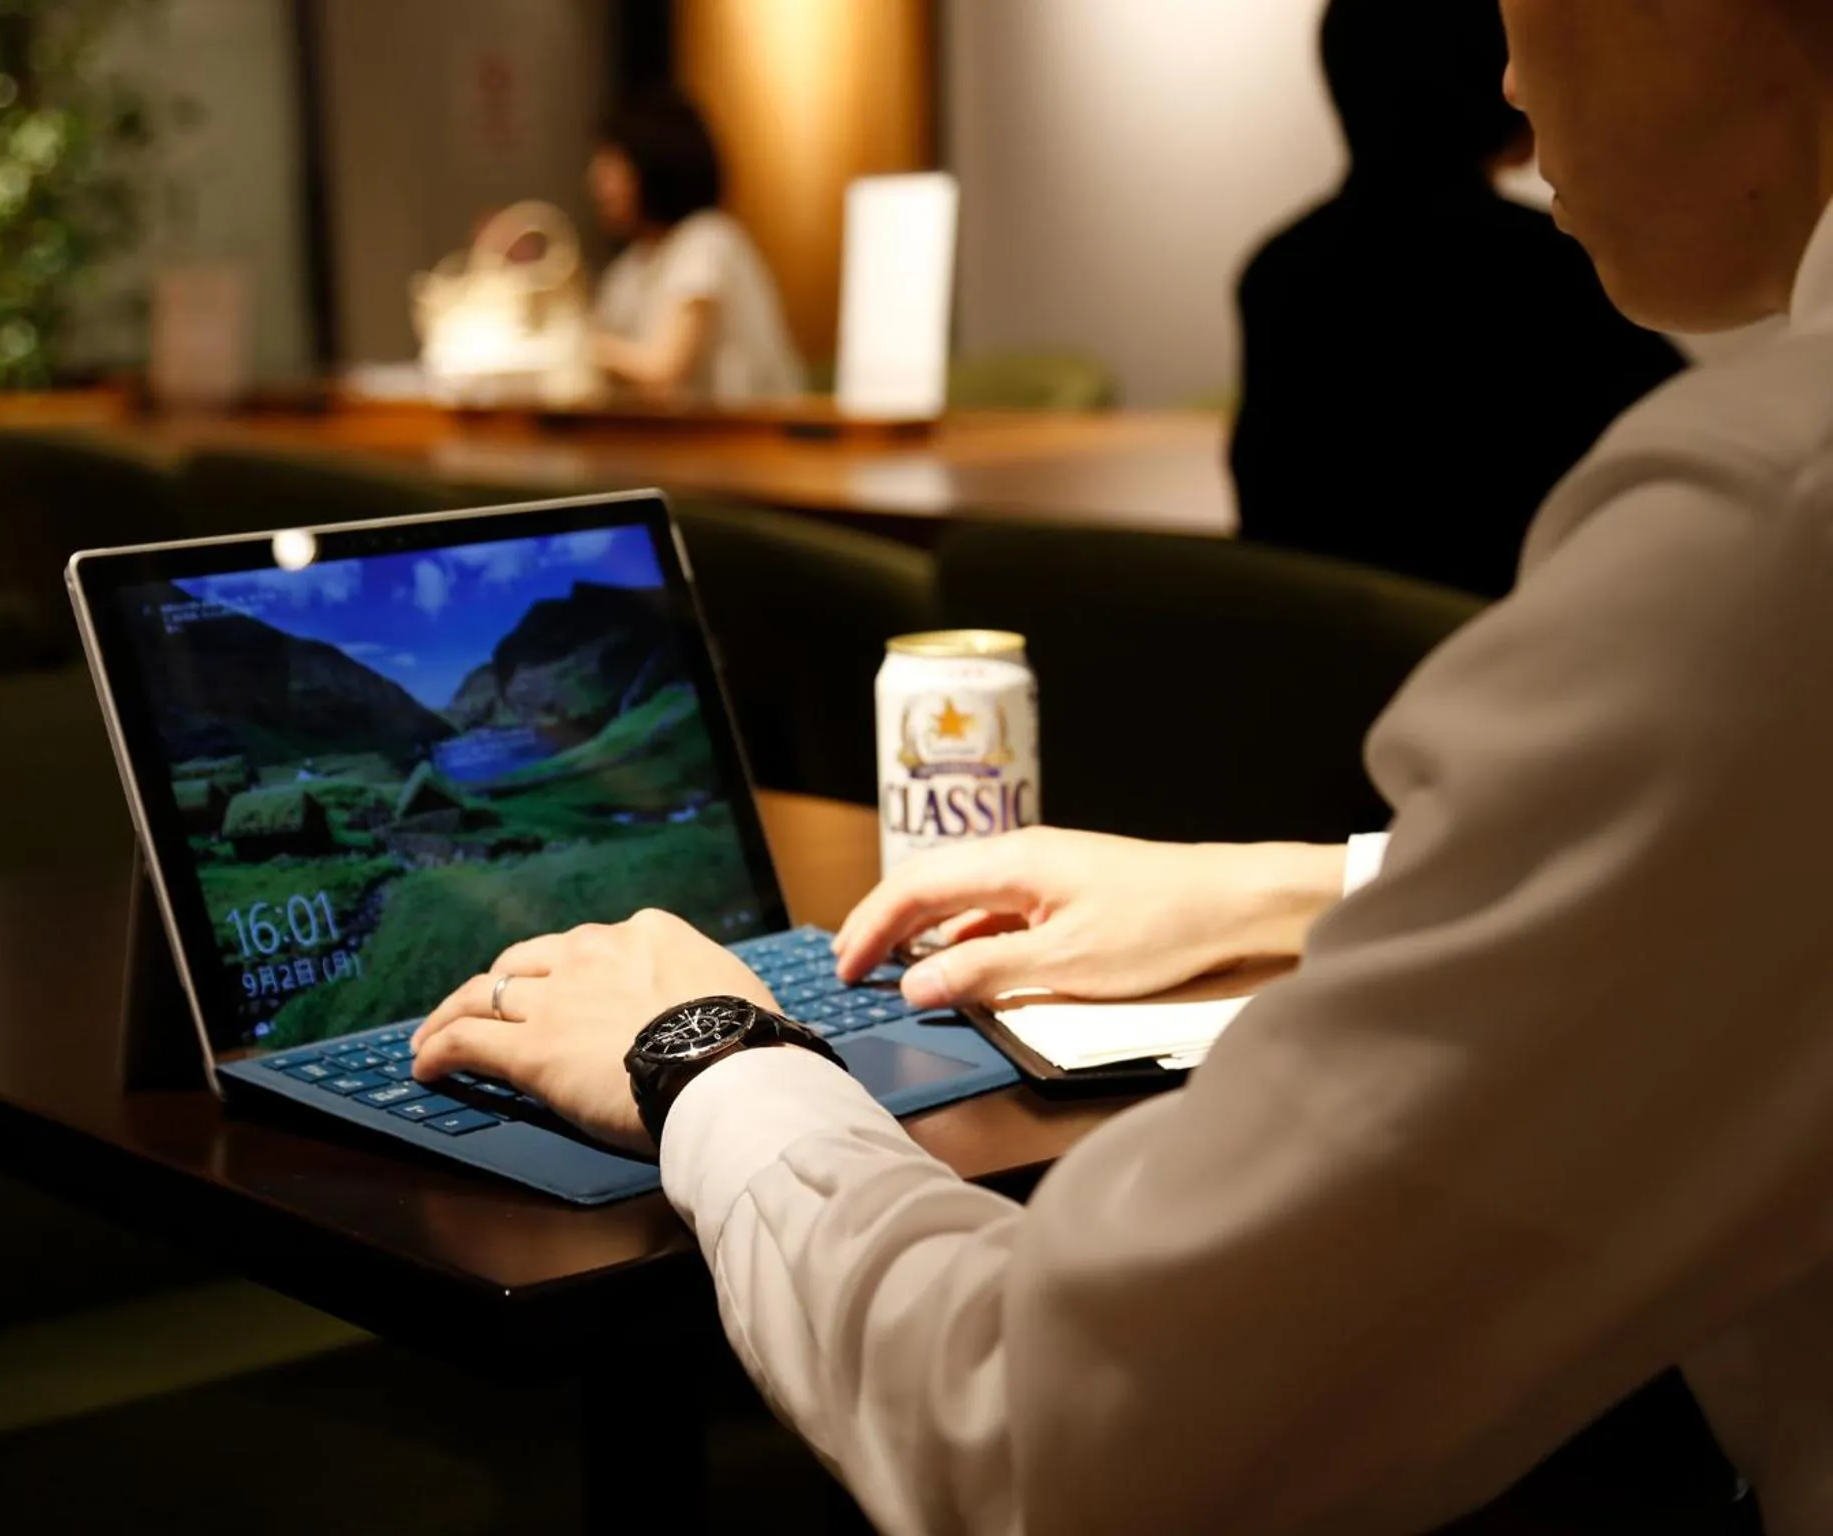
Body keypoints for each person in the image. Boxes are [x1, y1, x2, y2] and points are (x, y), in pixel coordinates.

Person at [413, 4, 1833, 1531]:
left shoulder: (1763, 532)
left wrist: (703, 1053)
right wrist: (1301, 885)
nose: (1505, 65)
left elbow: (1063, 1436)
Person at [1230, 0, 1687, 599]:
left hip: (1312, 652)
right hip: (1510, 638)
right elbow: (1683, 436)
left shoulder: (1276, 268)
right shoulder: (1550, 268)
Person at [587, 88, 805, 404]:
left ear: (654, 165)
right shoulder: (632, 266)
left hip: (750, 444)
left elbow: (661, 370)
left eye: (612, 167)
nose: (597, 181)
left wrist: (570, 345)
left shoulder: (708, 240)